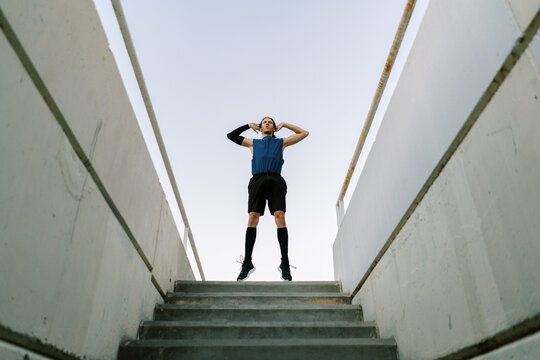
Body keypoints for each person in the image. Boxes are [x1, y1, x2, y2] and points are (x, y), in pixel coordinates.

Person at [227, 117, 309, 281]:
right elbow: (231, 136)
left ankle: (284, 263)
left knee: (280, 217)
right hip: (257, 180)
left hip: (276, 180)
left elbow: (304, 133)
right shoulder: (253, 143)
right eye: (264, 122)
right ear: (260, 126)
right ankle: (247, 263)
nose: (267, 123)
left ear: (274, 127)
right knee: (252, 218)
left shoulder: (281, 142)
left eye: (270, 122)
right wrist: (247, 125)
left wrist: (285, 124)